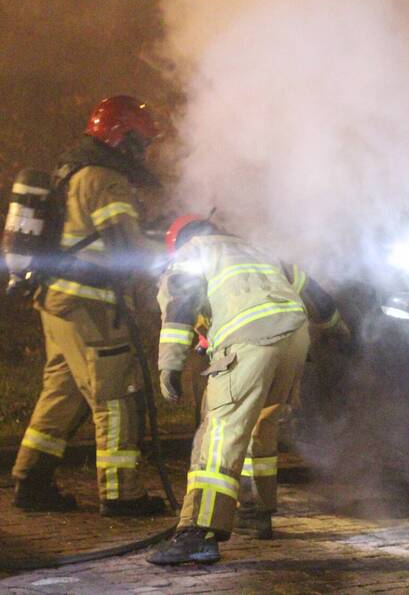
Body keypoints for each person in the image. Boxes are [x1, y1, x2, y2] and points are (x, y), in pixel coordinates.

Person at [11, 95, 166, 516]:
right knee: (115, 399)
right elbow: (127, 246)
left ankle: (31, 480)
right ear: (122, 138)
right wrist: (176, 251)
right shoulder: (106, 178)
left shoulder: (75, 171)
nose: (144, 152)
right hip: (90, 307)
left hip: (57, 301)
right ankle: (121, 493)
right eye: (140, 141)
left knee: (62, 395)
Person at [147, 215, 325, 565]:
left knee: (218, 432)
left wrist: (170, 362)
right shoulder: (255, 248)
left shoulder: (193, 251)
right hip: (295, 338)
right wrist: (339, 329)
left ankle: (199, 533)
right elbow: (317, 293)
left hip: (250, 340)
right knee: (258, 423)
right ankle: (255, 513)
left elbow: (180, 303)